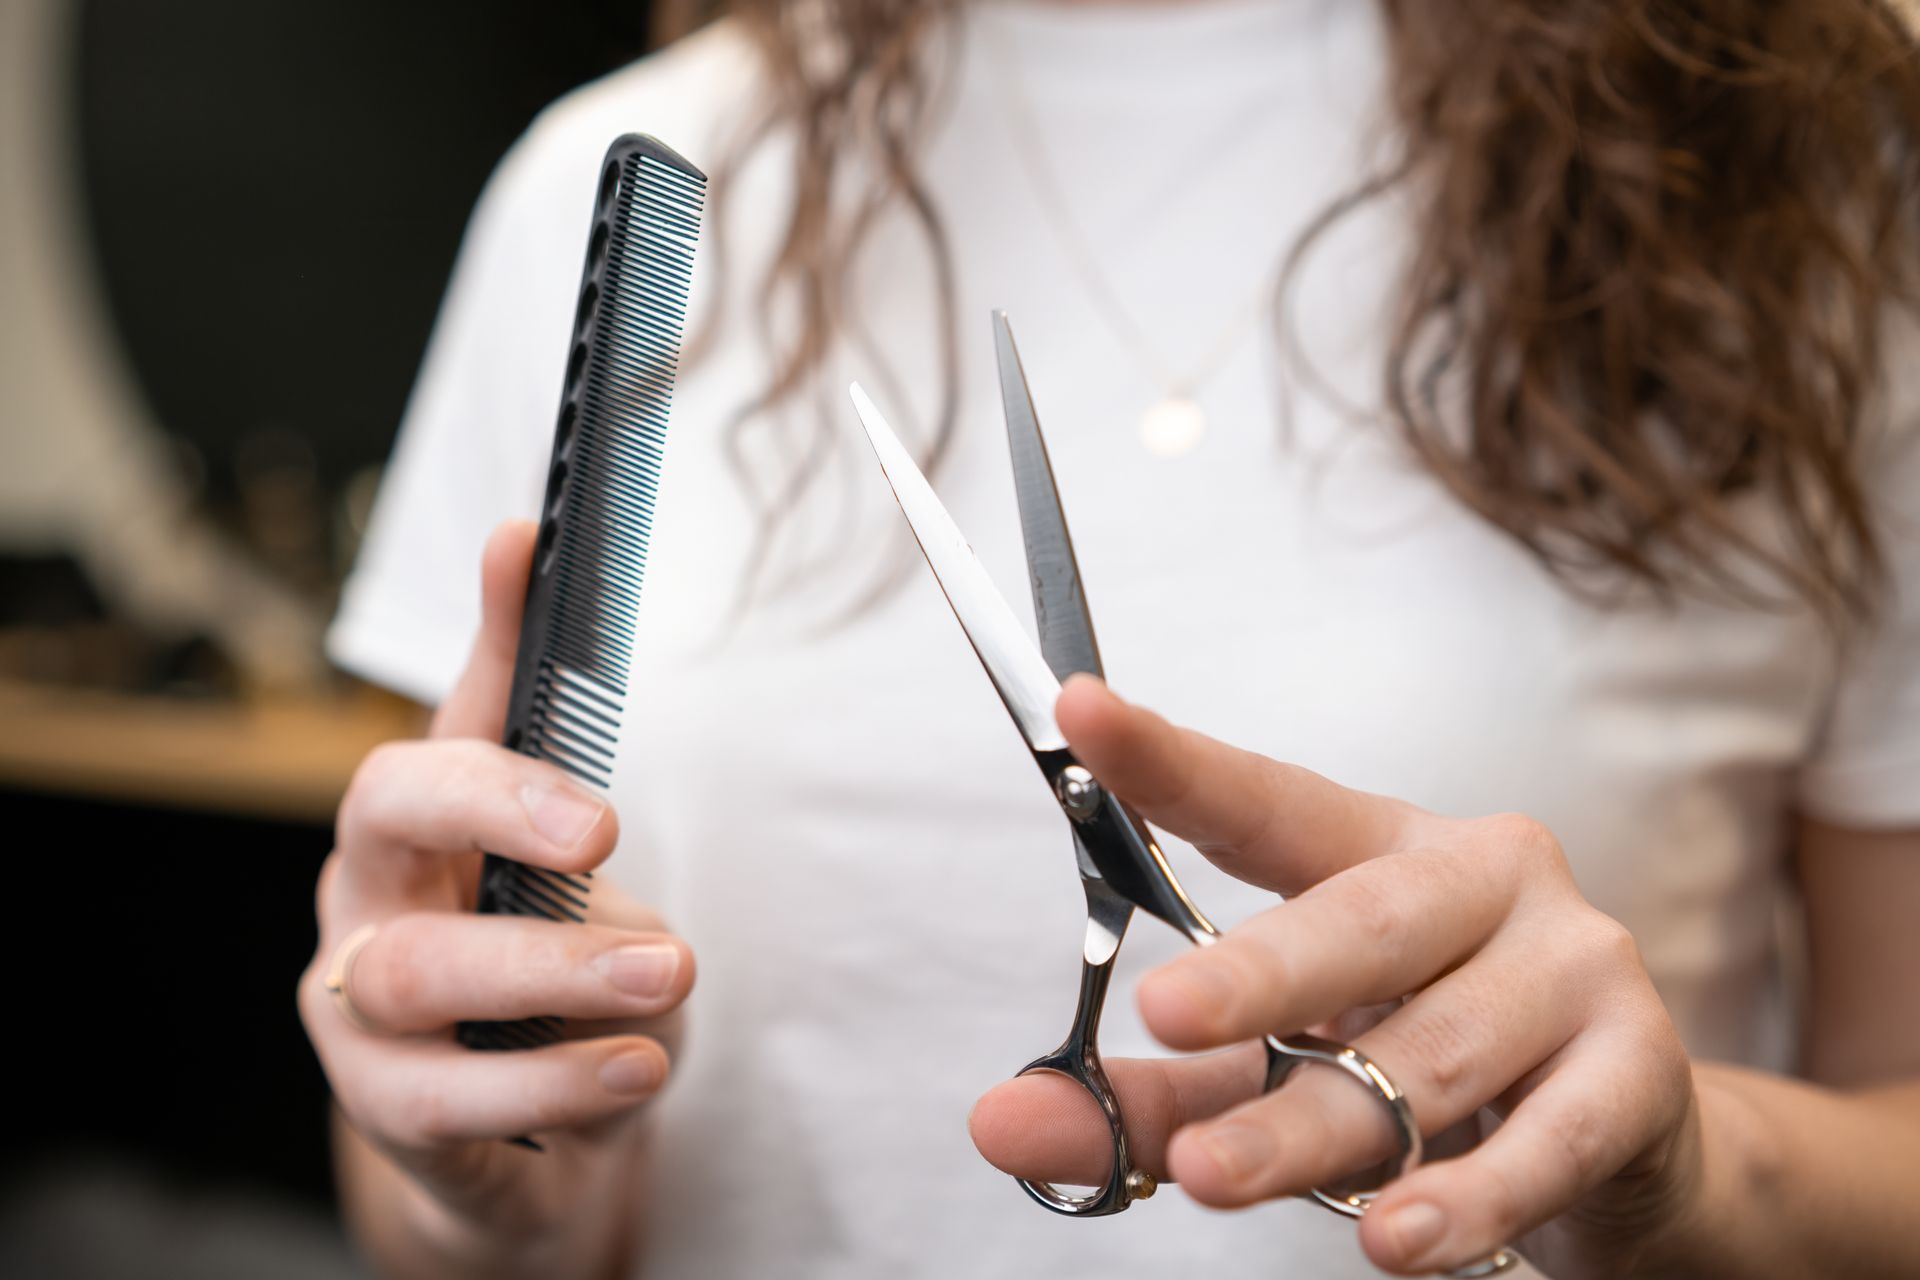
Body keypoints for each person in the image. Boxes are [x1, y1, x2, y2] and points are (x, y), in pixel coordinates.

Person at [299, 0, 1920, 1276]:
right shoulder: (628, 173)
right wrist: (476, 1182)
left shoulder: (1812, 174)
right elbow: (465, 1219)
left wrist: (1685, 1170)